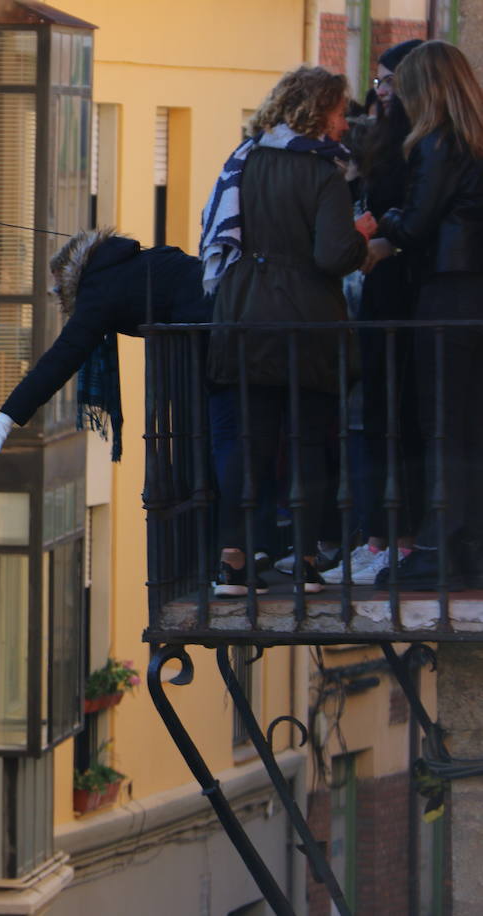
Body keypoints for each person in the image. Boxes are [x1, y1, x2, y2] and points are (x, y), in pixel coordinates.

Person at [201, 65, 371, 596]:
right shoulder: (325, 171)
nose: (345, 124)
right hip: (308, 322)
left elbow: (216, 229)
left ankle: (231, 560)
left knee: (244, 443)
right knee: (308, 442)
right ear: (319, 111)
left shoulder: (243, 160)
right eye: (341, 112)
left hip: (243, 314)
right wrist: (363, 235)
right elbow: (333, 254)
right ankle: (303, 559)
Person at [365, 40, 483, 588]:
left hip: (449, 294)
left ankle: (441, 550)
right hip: (473, 293)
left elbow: (414, 225)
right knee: (467, 427)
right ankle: (468, 547)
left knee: (443, 428)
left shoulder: (440, 143)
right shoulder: (474, 139)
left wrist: (379, 222)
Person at [321, 38, 427, 586]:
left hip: (403, 293)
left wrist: (382, 235)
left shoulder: (419, 146)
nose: (377, 92)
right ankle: (379, 539)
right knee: (378, 413)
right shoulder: (391, 141)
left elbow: (413, 218)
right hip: (381, 291)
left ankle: (397, 541)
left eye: (385, 82)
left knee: (396, 415)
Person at [0, 227, 209, 456]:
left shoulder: (98, 289)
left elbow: (62, 357)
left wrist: (6, 418)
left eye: (58, 286)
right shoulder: (123, 265)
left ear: (69, 275)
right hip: (220, 312)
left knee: (210, 429)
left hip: (208, 337)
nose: (56, 292)